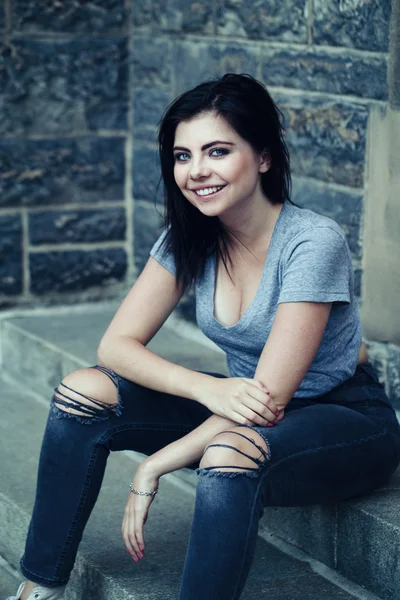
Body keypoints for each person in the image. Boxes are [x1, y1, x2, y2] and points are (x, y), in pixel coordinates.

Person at [7, 73, 400, 600]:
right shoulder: (189, 235)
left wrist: (156, 462)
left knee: (227, 452)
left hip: (343, 418)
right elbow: (116, 346)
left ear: (263, 156)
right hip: (238, 404)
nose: (196, 173)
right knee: (85, 390)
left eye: (217, 151)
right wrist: (203, 387)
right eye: (182, 156)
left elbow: (270, 400)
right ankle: (39, 585)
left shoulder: (311, 241)